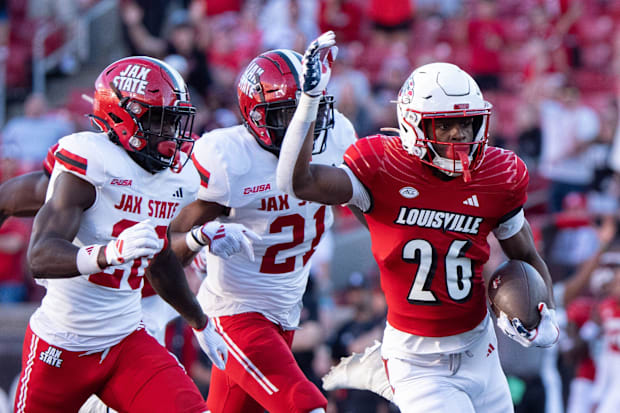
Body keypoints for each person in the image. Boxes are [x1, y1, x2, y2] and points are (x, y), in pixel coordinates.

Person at [276, 32, 560, 413]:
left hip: (481, 347)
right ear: (414, 126)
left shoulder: (495, 175)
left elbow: (525, 254)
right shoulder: (382, 168)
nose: (460, 135)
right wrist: (309, 102)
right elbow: (299, 182)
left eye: (468, 124)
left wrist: (546, 312)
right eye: (446, 126)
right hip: (418, 361)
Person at [12, 56, 229, 413]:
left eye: (175, 121)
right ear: (122, 116)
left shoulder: (177, 178)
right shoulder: (90, 161)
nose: (173, 134)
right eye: (161, 119)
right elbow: (39, 256)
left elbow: (159, 258)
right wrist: (108, 254)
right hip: (62, 344)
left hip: (126, 340)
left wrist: (200, 322)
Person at [169, 45, 358, 413]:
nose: (306, 124)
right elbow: (169, 240)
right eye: (290, 113)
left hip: (286, 313)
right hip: (234, 311)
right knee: (305, 406)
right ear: (257, 117)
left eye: (311, 109)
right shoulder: (230, 160)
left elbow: (368, 208)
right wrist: (199, 238)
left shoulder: (336, 139)